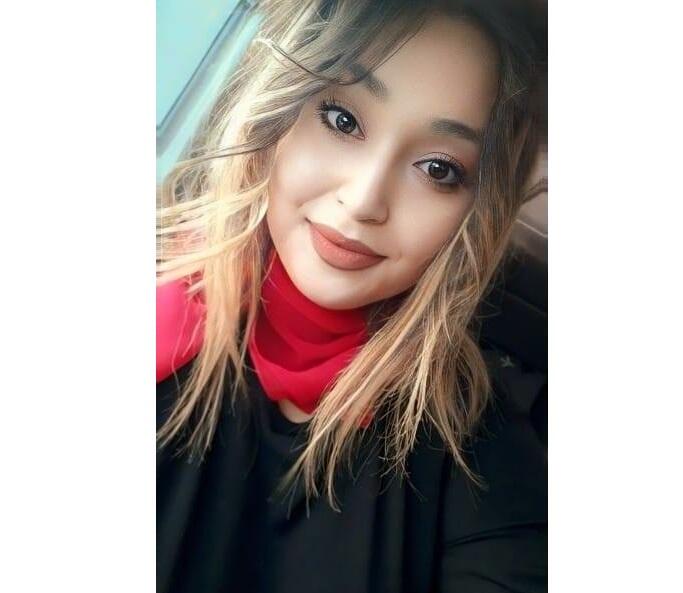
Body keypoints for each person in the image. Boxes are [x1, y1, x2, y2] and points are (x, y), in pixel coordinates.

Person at [156, 1, 547, 591]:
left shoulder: (477, 451)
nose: (364, 200)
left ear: (475, 211)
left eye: (439, 169)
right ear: (279, 111)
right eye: (342, 120)